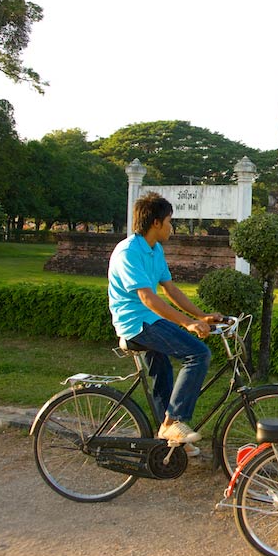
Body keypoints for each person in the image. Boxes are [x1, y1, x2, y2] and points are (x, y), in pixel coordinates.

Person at [107, 192, 221, 454]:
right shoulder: (128, 252)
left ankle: (168, 441)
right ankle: (172, 423)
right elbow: (146, 298)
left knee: (163, 376)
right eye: (170, 221)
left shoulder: (154, 249)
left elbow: (170, 289)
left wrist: (201, 316)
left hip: (150, 320)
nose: (173, 227)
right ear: (156, 223)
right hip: (136, 323)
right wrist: (187, 323)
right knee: (198, 353)